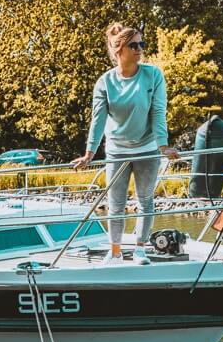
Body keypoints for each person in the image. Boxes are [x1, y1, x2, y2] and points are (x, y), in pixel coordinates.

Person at [70, 23, 178, 259]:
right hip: (117, 150)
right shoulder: (105, 82)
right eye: (133, 45)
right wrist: (89, 153)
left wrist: (163, 145)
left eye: (142, 44)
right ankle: (115, 251)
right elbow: (97, 120)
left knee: (145, 201)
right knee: (116, 204)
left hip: (148, 148)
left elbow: (158, 111)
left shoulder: (153, 75)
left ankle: (140, 249)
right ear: (119, 49)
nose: (140, 49)